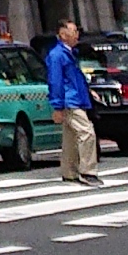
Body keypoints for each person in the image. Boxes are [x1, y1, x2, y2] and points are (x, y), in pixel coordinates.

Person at [45, 18, 100, 185]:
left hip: (74, 98)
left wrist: (88, 91)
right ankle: (87, 171)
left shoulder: (69, 53)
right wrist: (57, 106)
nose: (77, 35)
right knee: (87, 133)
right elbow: (55, 81)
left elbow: (74, 78)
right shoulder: (57, 55)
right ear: (63, 35)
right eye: (74, 31)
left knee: (70, 137)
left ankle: (69, 172)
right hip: (69, 101)